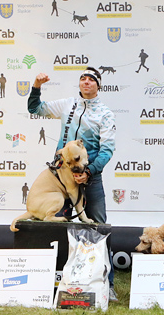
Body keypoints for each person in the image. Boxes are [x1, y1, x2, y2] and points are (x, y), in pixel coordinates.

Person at [27, 67, 116, 226]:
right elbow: (34, 108)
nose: (86, 82)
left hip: (90, 175)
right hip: (61, 175)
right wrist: (37, 86)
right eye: (83, 79)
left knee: (98, 226)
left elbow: (107, 151)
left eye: (91, 79)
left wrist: (89, 172)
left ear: (98, 86)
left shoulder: (105, 114)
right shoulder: (67, 104)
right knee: (55, 227)